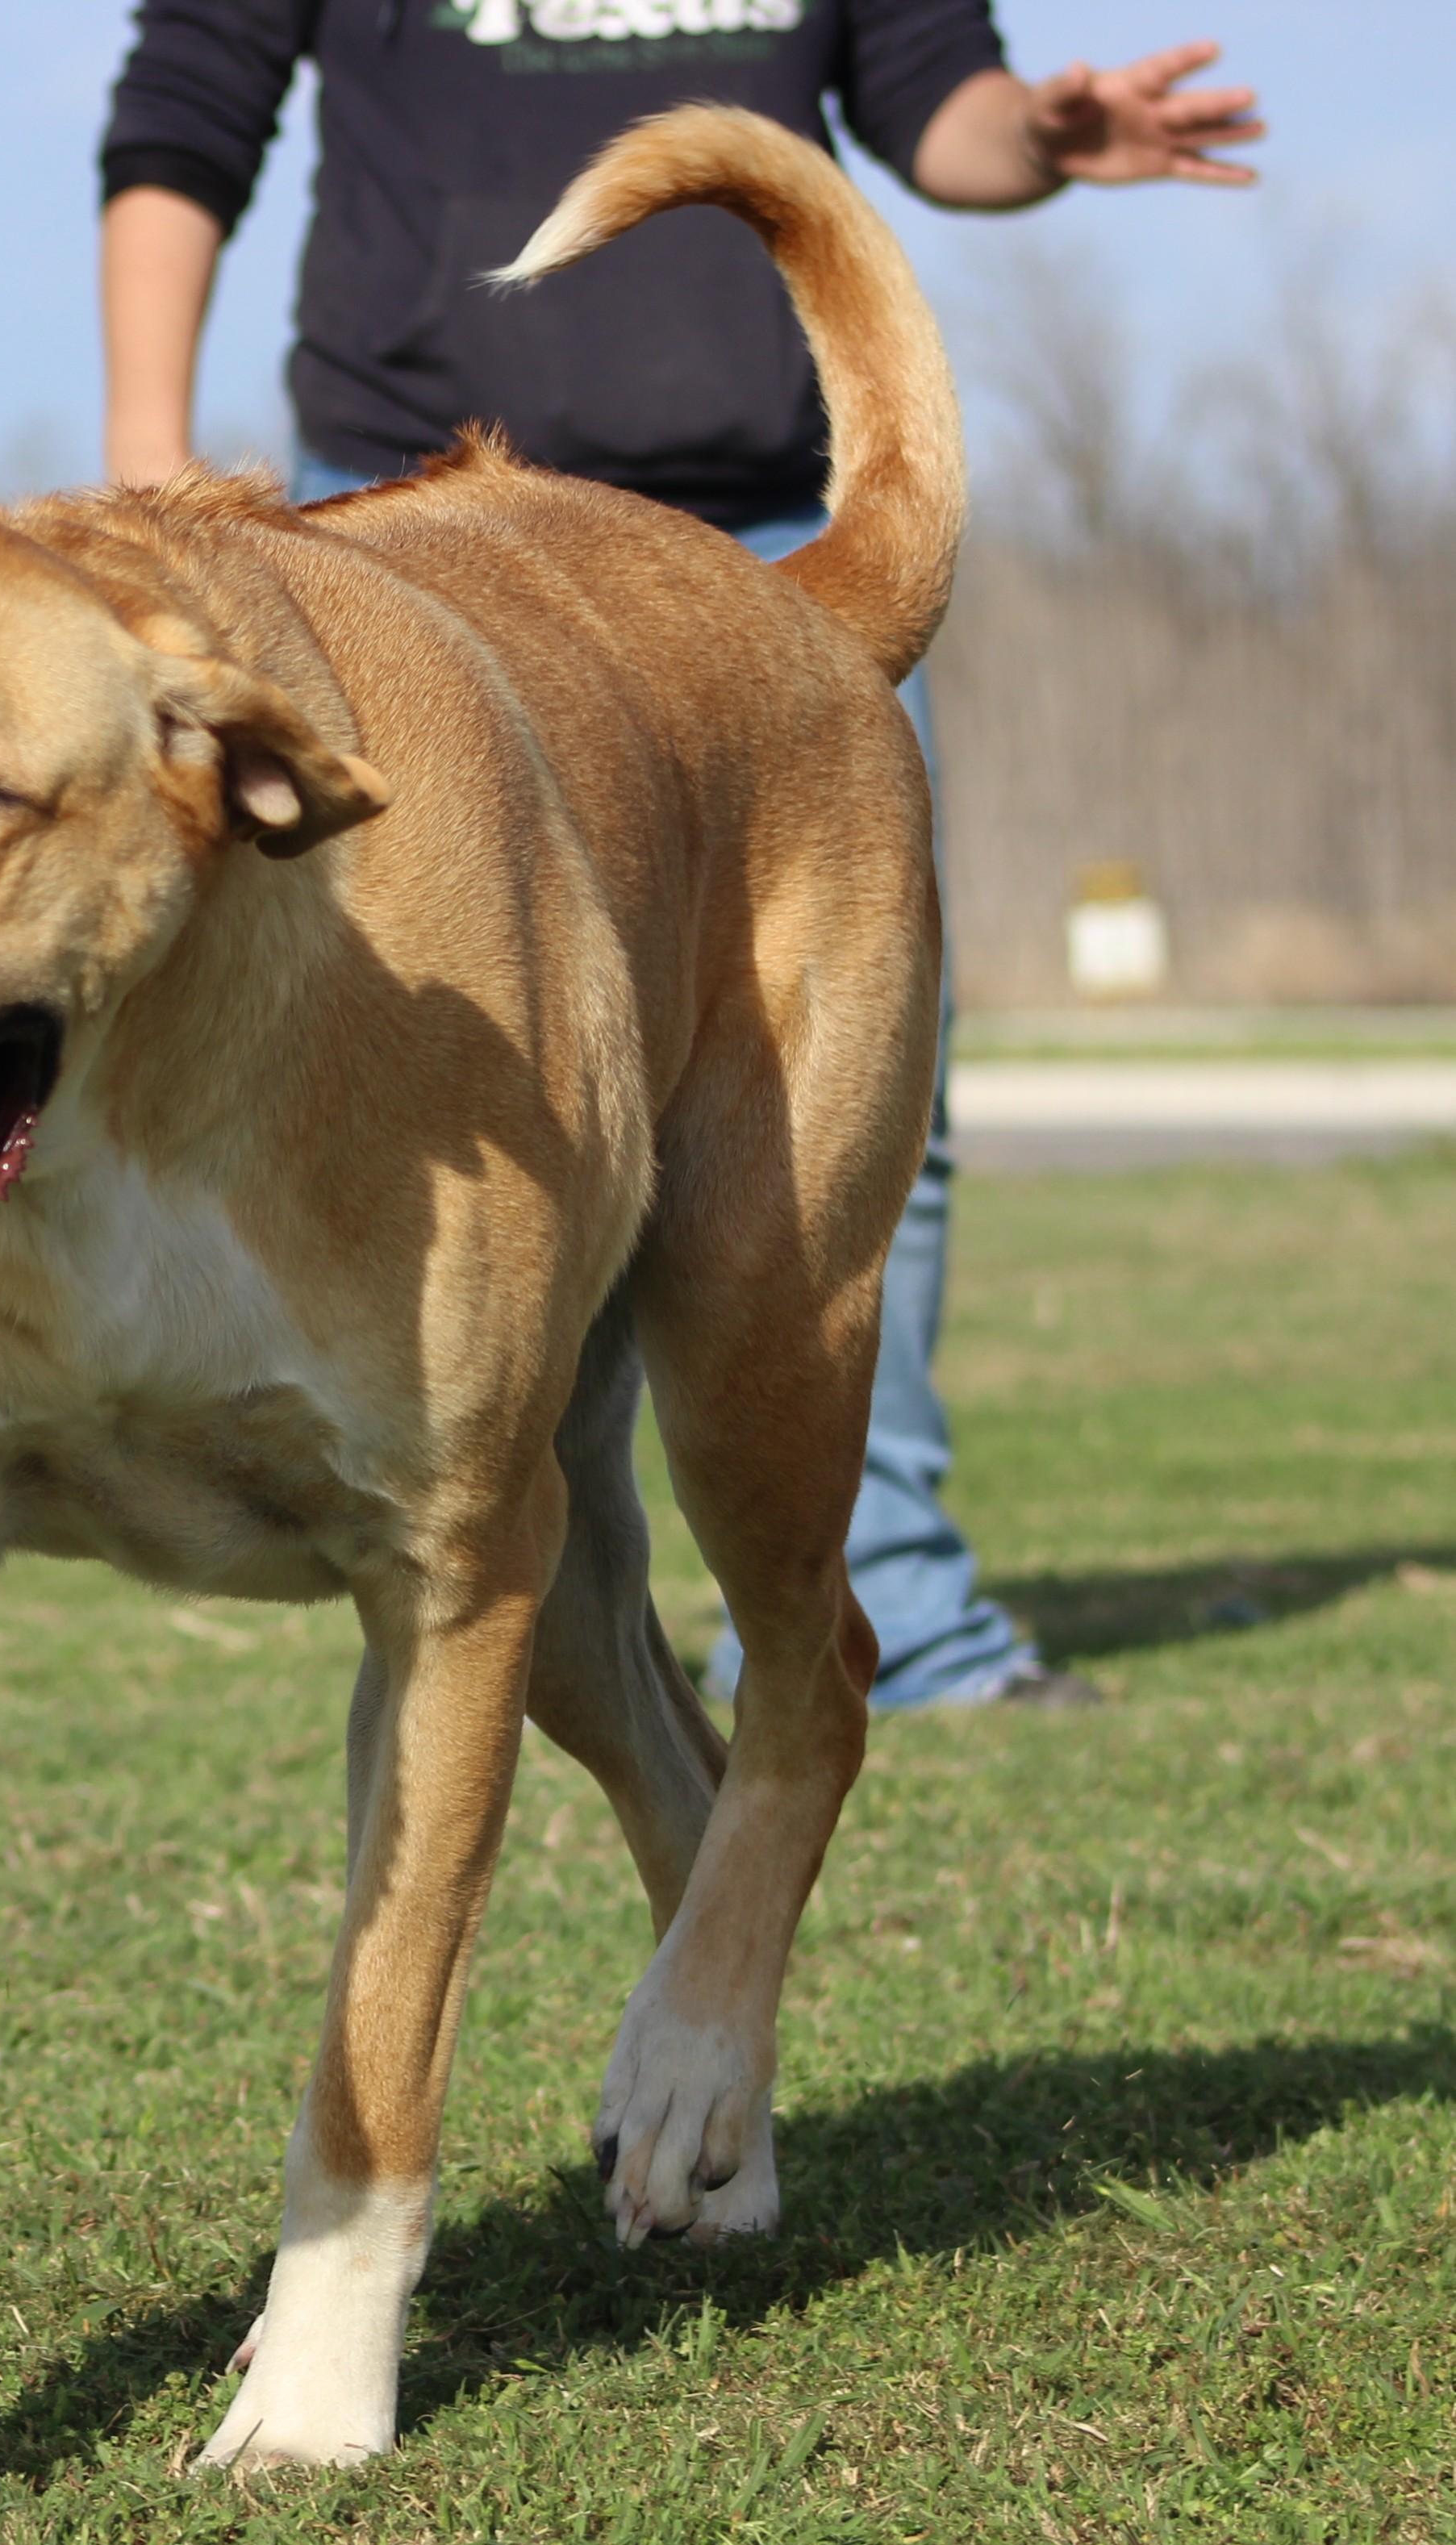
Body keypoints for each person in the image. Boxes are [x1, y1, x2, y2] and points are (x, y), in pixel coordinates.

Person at [97, 2, 1260, 1711]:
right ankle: (476, 1555)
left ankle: (890, 1603)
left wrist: (1043, 140)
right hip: (415, 552)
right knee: (428, 1084)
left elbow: (942, 109)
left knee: (845, 1112)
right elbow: (184, 118)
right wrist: (147, 463)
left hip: (767, 556)